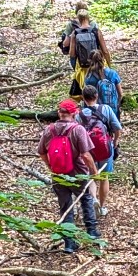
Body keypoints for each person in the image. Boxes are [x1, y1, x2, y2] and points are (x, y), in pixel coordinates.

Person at [37, 99, 101, 253]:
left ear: (60, 113)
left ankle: (69, 243)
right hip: (77, 173)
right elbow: (85, 155)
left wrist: (51, 167)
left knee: (65, 206)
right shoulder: (77, 129)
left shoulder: (49, 130)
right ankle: (92, 233)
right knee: (86, 200)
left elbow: (41, 152)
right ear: (74, 112)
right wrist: (94, 172)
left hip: (58, 174)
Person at [78, 85, 123, 217]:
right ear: (97, 96)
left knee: (91, 176)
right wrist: (115, 142)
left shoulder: (79, 115)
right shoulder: (106, 109)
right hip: (105, 147)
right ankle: (102, 207)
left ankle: (94, 200)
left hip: (88, 148)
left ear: (83, 98)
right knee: (104, 177)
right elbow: (117, 128)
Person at [62, 8, 110, 100]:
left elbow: (72, 53)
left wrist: (75, 68)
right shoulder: (96, 31)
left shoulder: (75, 33)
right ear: (88, 18)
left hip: (83, 67)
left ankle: (87, 105)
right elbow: (105, 50)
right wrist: (108, 63)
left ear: (78, 20)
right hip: (98, 65)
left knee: (85, 91)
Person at [83, 49, 123, 119]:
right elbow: (120, 94)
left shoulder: (89, 78)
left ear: (89, 61)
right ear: (103, 59)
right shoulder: (112, 73)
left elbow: (87, 97)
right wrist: (117, 104)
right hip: (113, 109)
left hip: (97, 113)